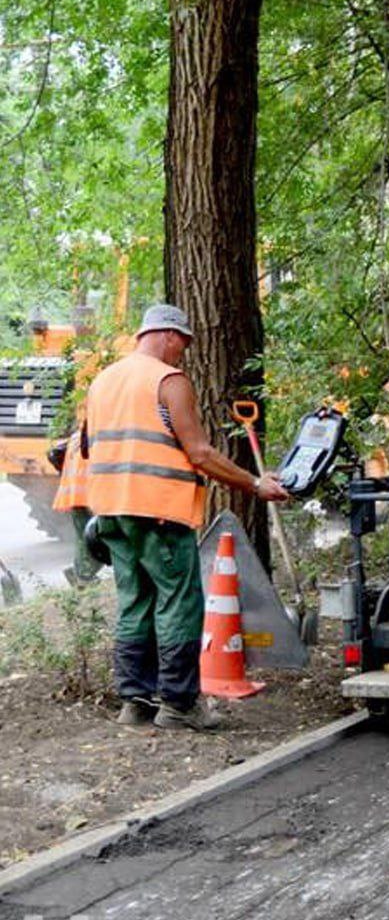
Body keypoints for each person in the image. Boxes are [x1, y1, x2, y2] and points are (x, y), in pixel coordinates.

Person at [84, 304, 289, 731]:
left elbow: (89, 446)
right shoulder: (167, 380)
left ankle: (135, 702)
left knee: (134, 601)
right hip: (158, 509)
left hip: (111, 511)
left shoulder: (103, 381)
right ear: (169, 335)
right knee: (179, 602)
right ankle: (179, 704)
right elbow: (199, 453)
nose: (185, 353)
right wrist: (255, 484)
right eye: (185, 344)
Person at [52, 422, 102, 587]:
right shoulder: (98, 435)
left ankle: (79, 573)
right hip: (91, 496)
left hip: (75, 496)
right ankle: (84, 576)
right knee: (101, 539)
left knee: (84, 538)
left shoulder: (75, 437)